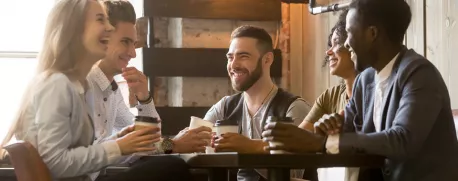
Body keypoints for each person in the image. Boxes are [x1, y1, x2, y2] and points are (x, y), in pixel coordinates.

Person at [262, 0, 458, 181]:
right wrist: (329, 129)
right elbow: (349, 135)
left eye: (349, 32)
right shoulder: (365, 80)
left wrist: (322, 144)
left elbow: (402, 140)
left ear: (372, 33)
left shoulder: (419, 74)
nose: (346, 43)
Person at [0, 1, 191, 181]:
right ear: (75, 30)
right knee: (171, 167)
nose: (107, 27)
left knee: (168, 166)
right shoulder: (59, 84)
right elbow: (56, 161)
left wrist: (141, 105)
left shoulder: (88, 86)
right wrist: (120, 146)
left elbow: (145, 138)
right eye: (100, 20)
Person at [87, 0, 211, 160]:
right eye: (125, 42)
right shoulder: (82, 85)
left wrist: (144, 98)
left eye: (134, 44)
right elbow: (88, 157)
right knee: (173, 166)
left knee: (170, 164)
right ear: (102, 38)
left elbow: (148, 140)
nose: (133, 53)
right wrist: (172, 145)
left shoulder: (111, 88)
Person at [204, 25, 312, 181]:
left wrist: (248, 148)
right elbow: (195, 142)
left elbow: (292, 175)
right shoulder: (224, 107)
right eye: (230, 57)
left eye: (243, 56)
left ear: (267, 59)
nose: (233, 65)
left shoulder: (294, 107)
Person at [298, 9, 358, 181]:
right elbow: (299, 139)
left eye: (336, 43)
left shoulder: (376, 93)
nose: (328, 52)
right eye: (329, 45)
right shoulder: (330, 96)